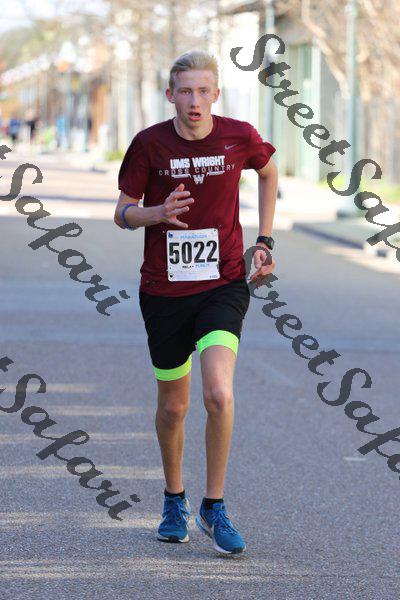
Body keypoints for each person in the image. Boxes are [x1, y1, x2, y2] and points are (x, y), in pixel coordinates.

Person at [114, 50, 278, 555]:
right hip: (163, 290)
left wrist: (264, 240)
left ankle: (214, 505)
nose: (195, 100)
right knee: (173, 406)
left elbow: (269, 172)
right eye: (185, 91)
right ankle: (174, 499)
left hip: (222, 284)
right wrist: (157, 212)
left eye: (204, 91)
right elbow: (123, 213)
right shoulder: (149, 144)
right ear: (171, 95)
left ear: (216, 94)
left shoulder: (238, 137)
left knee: (219, 394)